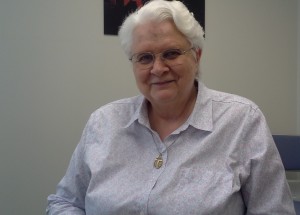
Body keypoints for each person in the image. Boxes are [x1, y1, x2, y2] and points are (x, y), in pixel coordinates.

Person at [46, 0, 296, 214]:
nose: (158, 69)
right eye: (145, 57)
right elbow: (64, 201)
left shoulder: (243, 121)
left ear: (196, 56)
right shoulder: (103, 122)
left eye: (171, 53)